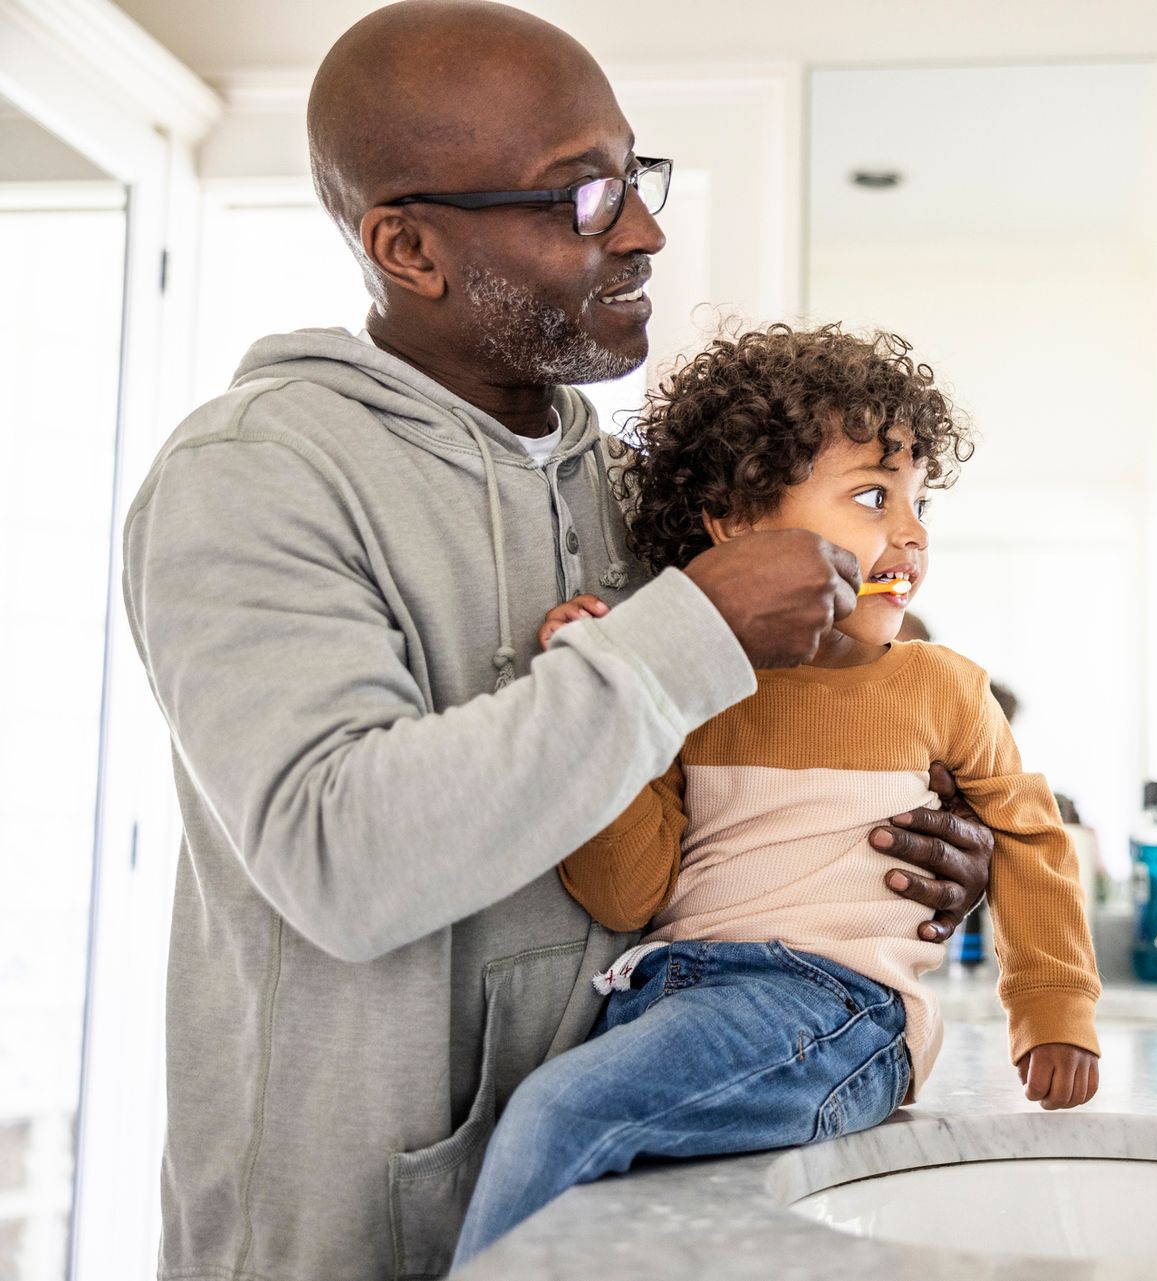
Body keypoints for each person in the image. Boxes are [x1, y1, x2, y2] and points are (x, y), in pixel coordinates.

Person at [119, 6, 991, 1278]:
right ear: (408, 246)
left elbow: (716, 790)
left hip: (613, 1223)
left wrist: (906, 850)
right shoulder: (253, 478)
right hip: (348, 1237)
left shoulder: (628, 490)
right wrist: (690, 626)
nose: (640, 228)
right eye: (578, 198)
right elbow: (340, 860)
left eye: (633, 176)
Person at [452, 324, 1101, 1260]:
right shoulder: (695, 685)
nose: (910, 533)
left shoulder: (943, 685)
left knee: (558, 1110)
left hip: (835, 1008)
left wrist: (1054, 1010)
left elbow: (1030, 840)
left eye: (918, 503)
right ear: (737, 523)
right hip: (663, 997)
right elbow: (623, 892)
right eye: (874, 496)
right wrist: (601, 697)